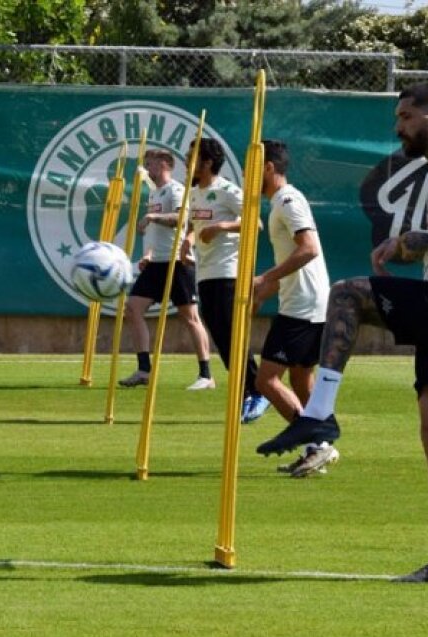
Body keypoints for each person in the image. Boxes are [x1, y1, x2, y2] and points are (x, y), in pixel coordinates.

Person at [256, 83, 428, 583]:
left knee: (347, 294)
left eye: (406, 117)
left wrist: (419, 240)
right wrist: (408, 247)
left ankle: (321, 415)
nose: (398, 127)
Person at [251, 140, 337, 477]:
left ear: (269, 168)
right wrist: (266, 290)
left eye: (252, 169)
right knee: (301, 378)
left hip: (304, 307)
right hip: (307, 302)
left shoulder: (287, 200)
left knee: (266, 380)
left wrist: (264, 278)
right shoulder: (280, 204)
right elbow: (294, 258)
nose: (248, 177)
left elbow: (309, 249)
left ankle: (319, 444)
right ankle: (315, 448)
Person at [187, 138, 270, 423]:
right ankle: (248, 388)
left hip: (227, 273)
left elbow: (255, 222)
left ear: (207, 162)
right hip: (205, 273)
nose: (187, 163)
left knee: (231, 336)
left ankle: (257, 390)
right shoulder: (195, 194)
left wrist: (222, 226)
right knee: (221, 339)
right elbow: (193, 225)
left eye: (192, 158)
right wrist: (187, 242)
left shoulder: (227, 191)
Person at [119, 149, 214, 391]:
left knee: (190, 316)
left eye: (149, 163)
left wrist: (152, 216)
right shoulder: (154, 193)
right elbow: (155, 232)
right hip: (155, 264)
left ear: (163, 164)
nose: (146, 168)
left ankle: (206, 374)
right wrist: (148, 253)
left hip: (177, 263)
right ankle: (144, 370)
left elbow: (182, 219)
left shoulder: (176, 190)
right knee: (133, 308)